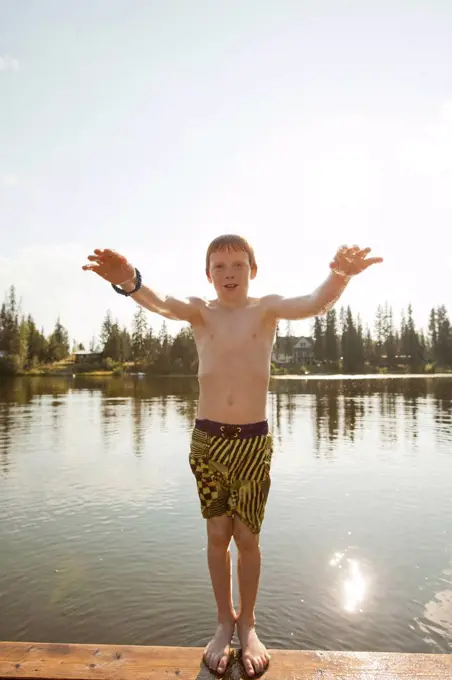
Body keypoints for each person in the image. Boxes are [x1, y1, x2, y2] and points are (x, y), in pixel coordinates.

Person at [82, 235, 382, 676]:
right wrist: (129, 280)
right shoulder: (200, 312)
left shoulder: (267, 309)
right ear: (208, 274)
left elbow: (315, 302)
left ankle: (250, 625)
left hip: (253, 444)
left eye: (238, 265)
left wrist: (339, 276)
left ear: (252, 271)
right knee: (218, 536)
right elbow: (161, 303)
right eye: (219, 267)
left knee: (248, 540)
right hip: (208, 442)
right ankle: (224, 621)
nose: (229, 274)